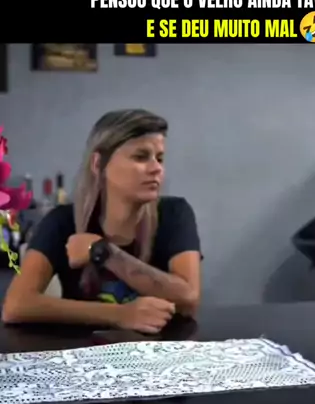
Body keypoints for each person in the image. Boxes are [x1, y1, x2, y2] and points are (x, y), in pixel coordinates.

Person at [2, 109, 201, 333]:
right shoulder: (62, 221)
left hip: (164, 352)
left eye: (160, 158)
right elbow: (16, 306)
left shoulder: (175, 213)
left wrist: (104, 253)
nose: (157, 168)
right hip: (85, 350)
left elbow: (188, 301)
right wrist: (120, 315)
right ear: (98, 164)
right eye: (140, 157)